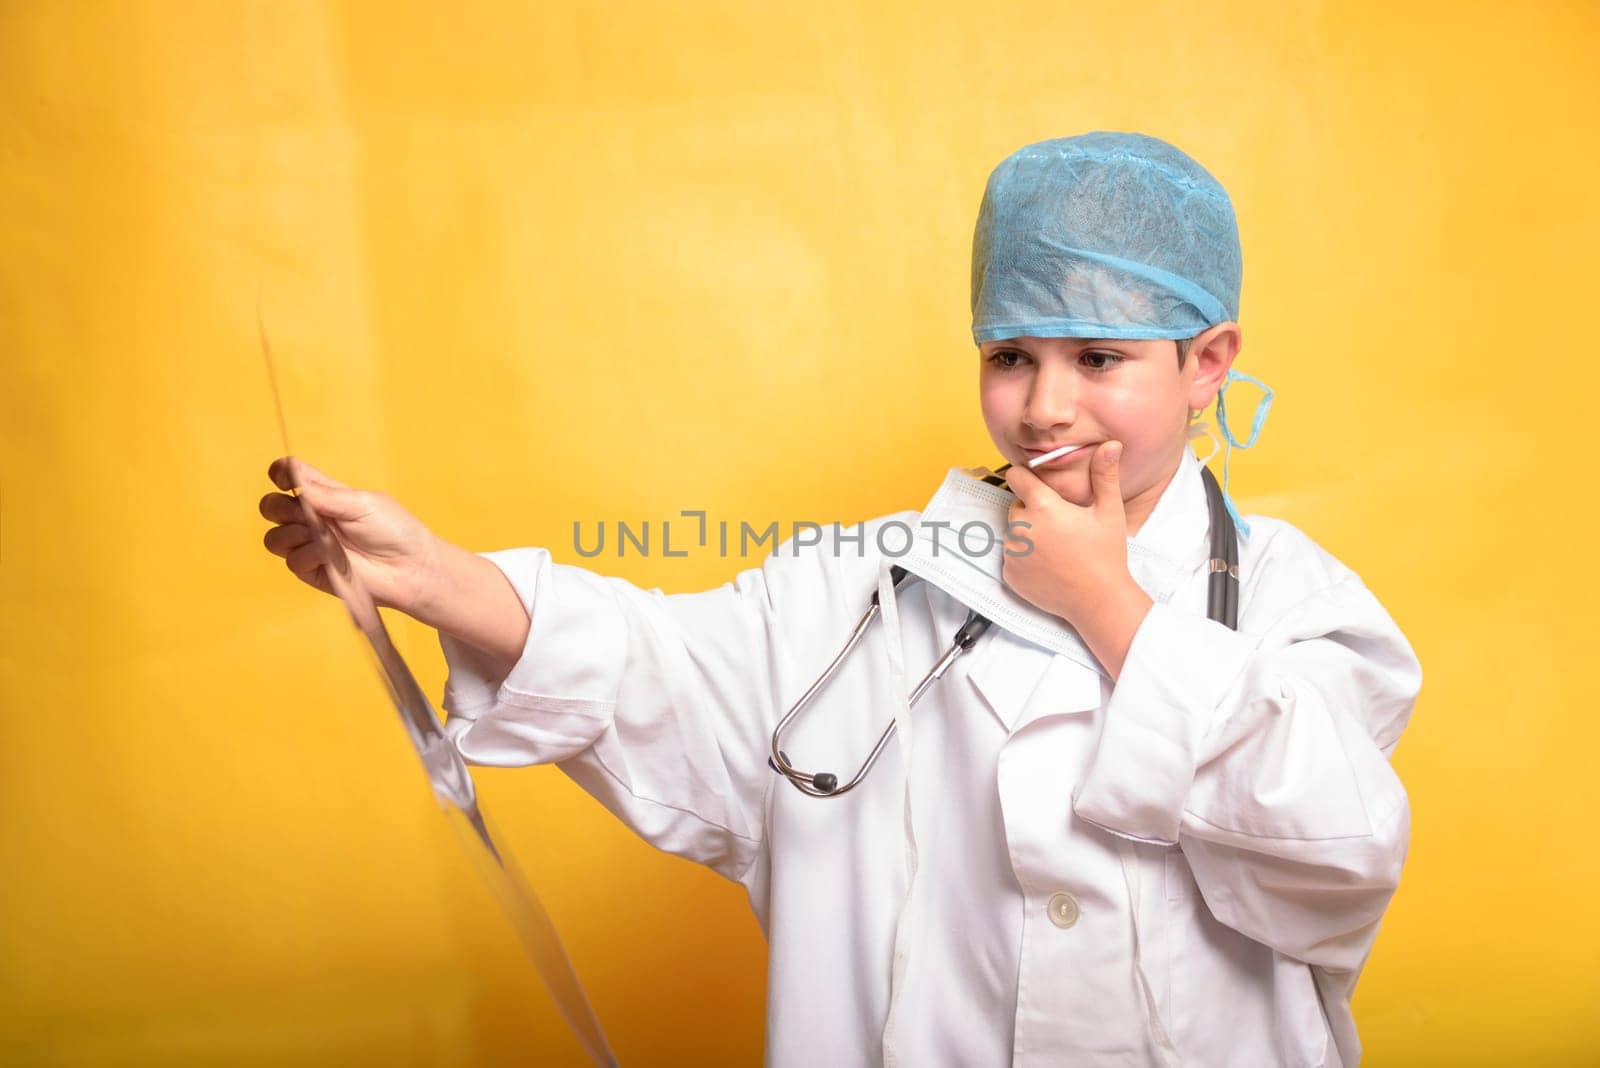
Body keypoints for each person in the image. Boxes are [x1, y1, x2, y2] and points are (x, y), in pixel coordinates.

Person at [259, 131, 1422, 1067]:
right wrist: (437, 577)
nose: (1043, 406)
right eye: (1009, 355)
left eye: (1099, 358)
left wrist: (1112, 607)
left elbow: (1335, 850)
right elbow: (664, 669)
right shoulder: (862, 579)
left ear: (1207, 362)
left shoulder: (1289, 600)